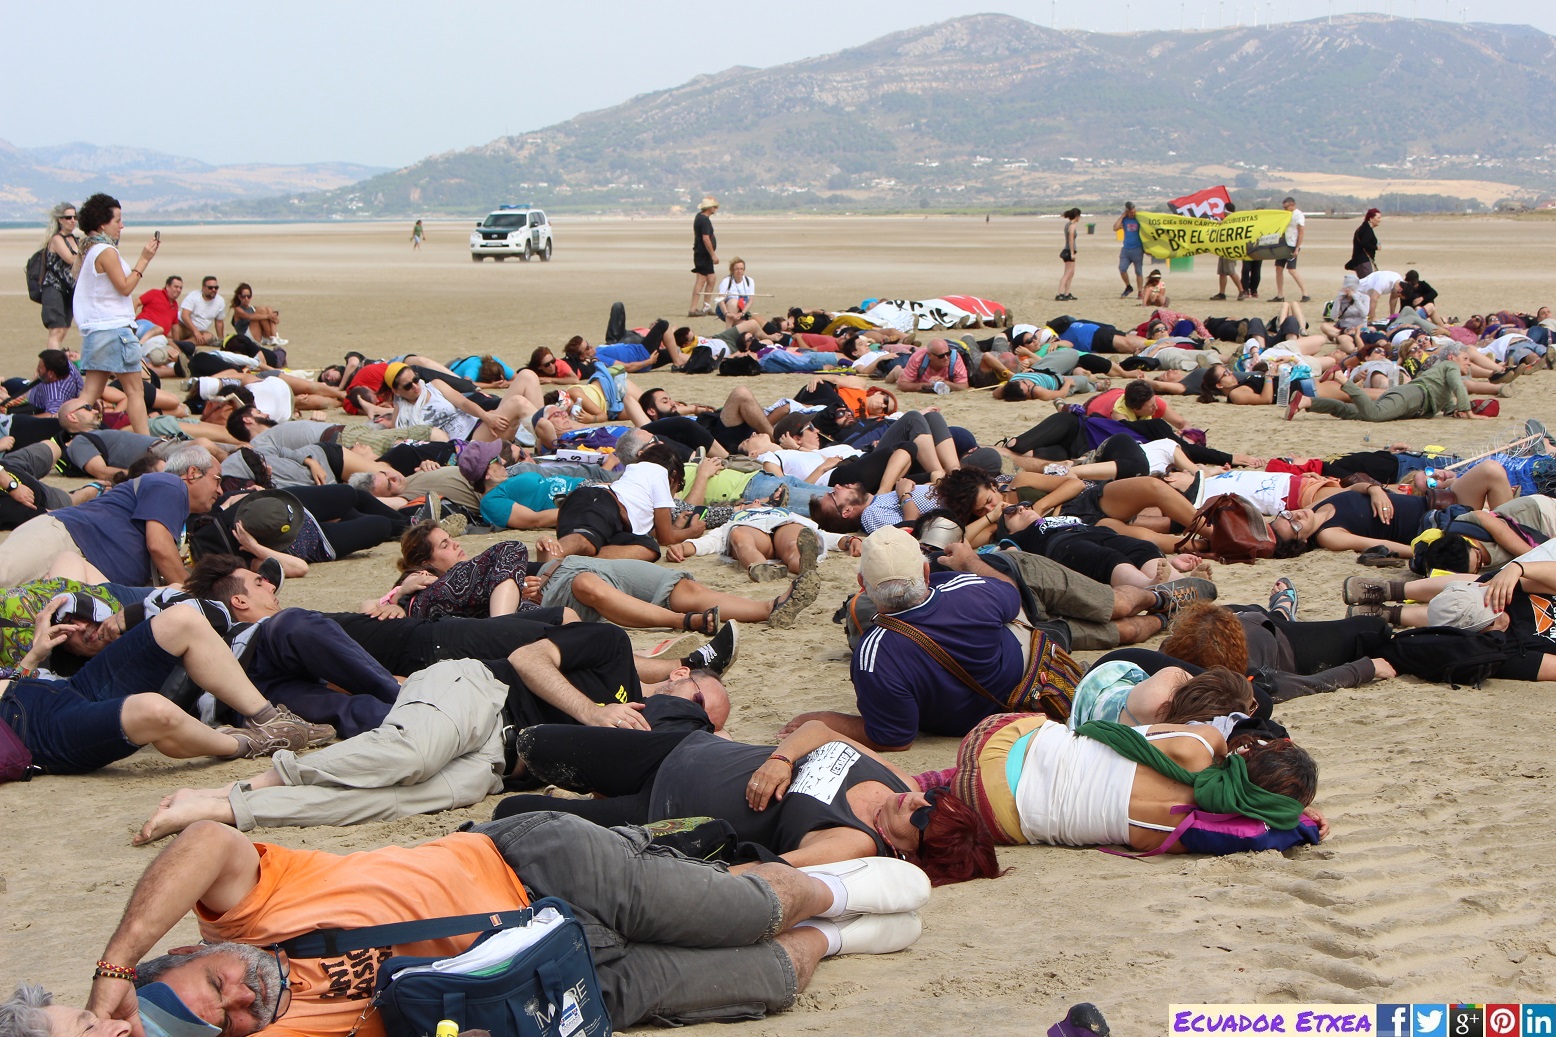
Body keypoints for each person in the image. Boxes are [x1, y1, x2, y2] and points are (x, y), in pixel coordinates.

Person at [87, 797, 933, 1033]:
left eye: (216, 985)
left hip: (535, 871)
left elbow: (204, 838)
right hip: (548, 985)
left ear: (188, 953)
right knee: (764, 980)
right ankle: (836, 935)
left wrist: (118, 960)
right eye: (228, 1022)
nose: (242, 999)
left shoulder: (244, 912)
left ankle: (842, 887)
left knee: (740, 911)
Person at [131, 620, 732, 840]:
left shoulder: (645, 732)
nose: (700, 715)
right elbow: (527, 658)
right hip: (477, 691)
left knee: (392, 802)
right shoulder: (612, 649)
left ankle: (230, 810)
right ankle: (251, 782)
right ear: (683, 675)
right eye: (704, 702)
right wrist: (592, 712)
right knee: (408, 756)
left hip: (498, 764)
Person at [492, 720, 1001, 886]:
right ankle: (587, 785)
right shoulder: (898, 780)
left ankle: (594, 800)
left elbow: (770, 871)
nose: (917, 799)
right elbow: (821, 731)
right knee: (537, 743)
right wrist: (782, 759)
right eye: (934, 798)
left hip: (660, 814)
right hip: (684, 750)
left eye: (924, 815)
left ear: (912, 852)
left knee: (511, 819)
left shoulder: (853, 842)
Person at [0, 591, 327, 775]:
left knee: (181, 621)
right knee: (154, 709)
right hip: (36, 732)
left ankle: (271, 720)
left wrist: (32, 658)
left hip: (55, 690)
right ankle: (249, 743)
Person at [942, 713, 1323, 852]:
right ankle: (939, 785)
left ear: (1251, 752)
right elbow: (1251, 829)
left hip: (998, 739)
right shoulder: (1183, 830)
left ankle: (933, 778)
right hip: (994, 811)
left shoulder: (1201, 742)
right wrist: (1299, 819)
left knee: (1063, 750)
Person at [0, 445, 221, 587]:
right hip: (65, 538)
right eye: (217, 479)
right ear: (193, 473)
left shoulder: (173, 509)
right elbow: (159, 546)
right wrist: (191, 595)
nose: (220, 491)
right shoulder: (171, 483)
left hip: (81, 562)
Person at [524, 553, 820, 632]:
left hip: (571, 565)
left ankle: (771, 607)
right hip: (556, 586)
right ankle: (683, 621)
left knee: (684, 589)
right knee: (585, 585)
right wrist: (520, 589)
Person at [71, 193, 158, 436]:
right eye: (117, 220)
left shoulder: (89, 250)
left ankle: (68, 436)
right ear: (102, 224)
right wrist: (144, 260)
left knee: (89, 394)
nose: (122, 226)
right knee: (135, 391)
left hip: (97, 331)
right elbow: (125, 287)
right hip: (115, 330)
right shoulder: (106, 251)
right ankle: (145, 442)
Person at [387, 522, 533, 619]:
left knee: (527, 610)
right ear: (426, 563)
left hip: (450, 624)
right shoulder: (421, 577)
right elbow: (410, 582)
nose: (456, 544)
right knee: (511, 549)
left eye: (451, 539)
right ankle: (502, 627)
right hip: (426, 612)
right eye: (445, 545)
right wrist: (399, 593)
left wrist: (509, 589)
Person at [1286, 358, 1492, 423]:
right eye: (1466, 358)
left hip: (1412, 401)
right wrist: (1469, 412)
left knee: (1353, 412)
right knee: (1374, 415)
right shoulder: (1450, 365)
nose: (1469, 363)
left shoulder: (1441, 382)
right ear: (1453, 357)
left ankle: (1307, 402)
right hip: (1414, 396)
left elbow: (1446, 405)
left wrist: (1456, 410)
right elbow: (1458, 385)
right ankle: (1340, 378)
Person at [39, 202, 79, 349]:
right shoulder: (57, 239)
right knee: (56, 330)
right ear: (60, 220)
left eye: (75, 217)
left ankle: (51, 360)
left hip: (70, 290)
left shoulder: (75, 240)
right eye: (68, 217)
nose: (73, 220)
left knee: (63, 331)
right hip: (54, 288)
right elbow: (71, 259)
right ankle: (53, 362)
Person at [1271, 197, 1310, 302]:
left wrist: (1297, 248)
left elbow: (1301, 232)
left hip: (1292, 245)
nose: (1284, 209)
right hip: (1283, 244)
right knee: (1279, 268)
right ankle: (1280, 295)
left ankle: (1305, 293)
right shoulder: (1285, 214)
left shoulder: (1298, 215)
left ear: (1292, 205)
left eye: (1286, 207)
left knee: (1292, 270)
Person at [689, 196, 719, 316]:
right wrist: (713, 255)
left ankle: (706, 306)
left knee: (711, 279)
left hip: (704, 255)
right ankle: (692, 309)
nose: (716, 209)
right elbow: (706, 238)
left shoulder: (700, 217)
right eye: (714, 207)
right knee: (701, 280)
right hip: (703, 254)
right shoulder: (704, 220)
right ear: (709, 208)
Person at [1113, 201, 1144, 298]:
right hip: (1126, 248)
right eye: (1131, 212)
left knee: (1138, 271)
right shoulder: (1125, 219)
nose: (1133, 214)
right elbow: (1115, 228)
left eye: (1134, 212)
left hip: (1137, 248)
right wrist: (1122, 216)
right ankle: (1128, 286)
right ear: (1127, 211)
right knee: (1122, 268)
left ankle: (1140, 291)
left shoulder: (1139, 219)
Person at [716, 257, 756, 325]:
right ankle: (728, 329)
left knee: (752, 322)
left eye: (741, 269)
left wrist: (742, 313)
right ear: (732, 270)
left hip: (742, 310)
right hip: (725, 310)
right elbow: (720, 300)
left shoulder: (749, 281)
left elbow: (751, 300)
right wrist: (727, 314)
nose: (739, 271)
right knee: (733, 302)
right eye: (737, 269)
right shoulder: (726, 281)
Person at [1346, 208, 1381, 278]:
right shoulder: (1366, 229)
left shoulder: (1364, 228)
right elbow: (1365, 243)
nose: (1380, 220)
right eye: (1378, 218)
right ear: (1371, 218)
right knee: (1367, 282)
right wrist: (1376, 247)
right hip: (1363, 261)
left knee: (1365, 282)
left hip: (1361, 261)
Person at [1056, 208, 1081, 301]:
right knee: (1067, 273)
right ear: (1077, 216)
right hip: (1069, 251)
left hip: (1071, 250)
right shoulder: (1071, 226)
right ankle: (1060, 293)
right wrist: (1072, 252)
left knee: (1071, 273)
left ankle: (1067, 293)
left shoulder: (1069, 224)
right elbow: (1070, 239)